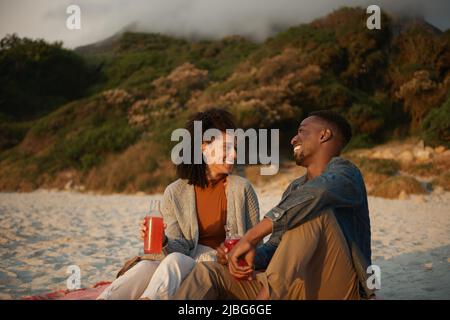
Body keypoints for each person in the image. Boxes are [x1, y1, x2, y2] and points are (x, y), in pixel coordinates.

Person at [171, 110, 374, 300]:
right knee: (207, 271)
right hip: (290, 287)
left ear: (324, 135)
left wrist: (251, 236)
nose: (294, 138)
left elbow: (319, 193)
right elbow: (275, 246)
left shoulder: (347, 174)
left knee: (311, 212)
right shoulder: (296, 187)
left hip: (335, 289)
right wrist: (244, 255)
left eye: (302, 132)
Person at [97, 108, 260, 300]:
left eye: (234, 147)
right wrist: (163, 241)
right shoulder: (175, 192)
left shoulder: (242, 189)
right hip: (181, 263)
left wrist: (234, 254)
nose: (233, 154)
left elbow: (256, 243)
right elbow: (178, 246)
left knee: (174, 261)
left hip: (217, 270)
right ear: (203, 147)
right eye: (226, 147)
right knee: (146, 266)